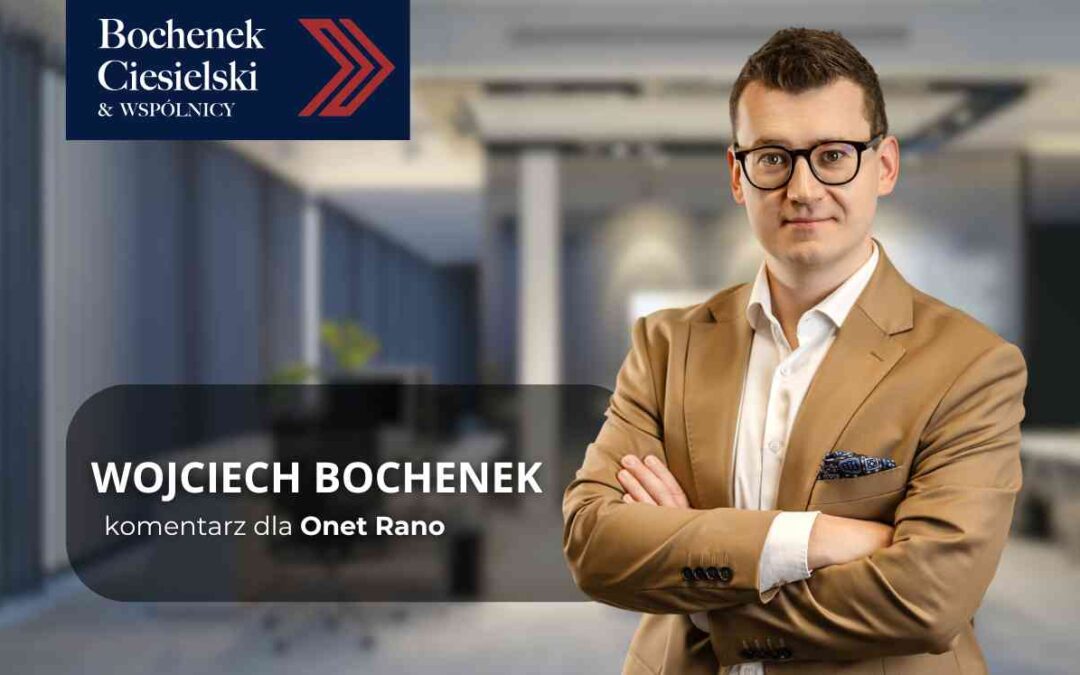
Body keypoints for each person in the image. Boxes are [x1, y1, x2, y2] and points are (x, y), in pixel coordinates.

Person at [562, 27, 1027, 674]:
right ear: (737, 174)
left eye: (833, 155)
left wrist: (700, 596)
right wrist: (810, 538)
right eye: (773, 157)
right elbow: (594, 543)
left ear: (883, 164)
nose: (803, 189)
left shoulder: (971, 365)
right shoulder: (665, 345)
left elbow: (928, 598)